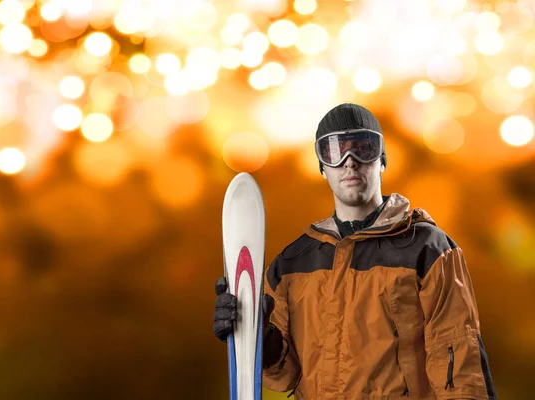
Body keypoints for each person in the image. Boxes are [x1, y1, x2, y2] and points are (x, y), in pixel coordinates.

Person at [213, 103, 496, 399]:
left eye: (364, 148)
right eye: (334, 152)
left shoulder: (428, 249)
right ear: (323, 168)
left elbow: (459, 358)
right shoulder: (293, 263)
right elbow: (284, 375)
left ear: (382, 161)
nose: (350, 161)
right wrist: (260, 339)